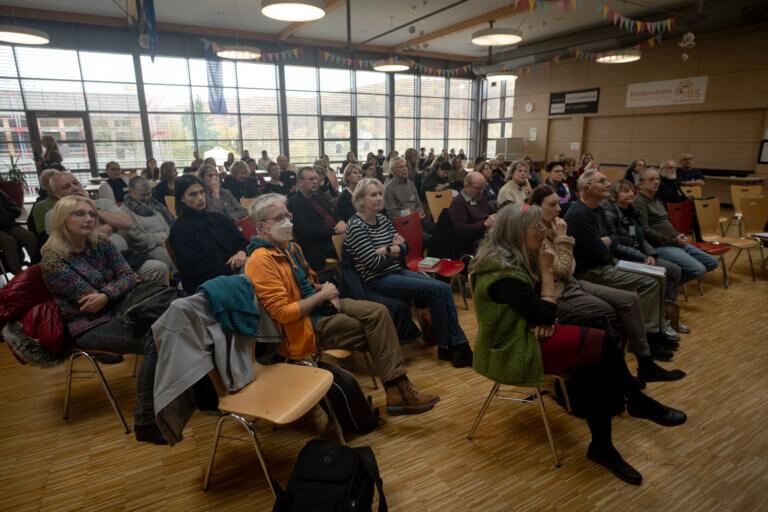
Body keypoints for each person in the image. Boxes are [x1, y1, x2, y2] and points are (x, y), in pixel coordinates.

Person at [469, 204, 686, 486]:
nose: (543, 230)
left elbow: (541, 307)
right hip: (514, 348)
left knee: (598, 323)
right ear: (517, 232)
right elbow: (544, 307)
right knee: (598, 347)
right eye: (536, 226)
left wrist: (544, 313)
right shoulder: (502, 272)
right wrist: (546, 278)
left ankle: (620, 417)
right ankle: (623, 416)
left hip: (527, 330)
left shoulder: (510, 255)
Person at [245, 193, 440, 415]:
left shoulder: (290, 248)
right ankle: (399, 391)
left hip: (320, 306)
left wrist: (327, 292)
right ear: (261, 226)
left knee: (380, 312)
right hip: (304, 327)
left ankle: (398, 391)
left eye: (287, 215)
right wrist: (322, 295)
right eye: (279, 218)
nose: (287, 221)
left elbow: (309, 283)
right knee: (377, 328)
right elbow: (283, 314)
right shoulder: (261, 260)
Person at [40, 195, 167, 444]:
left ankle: (186, 393)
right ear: (61, 219)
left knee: (173, 324)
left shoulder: (101, 242)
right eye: (79, 214)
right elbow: (90, 302)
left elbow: (129, 276)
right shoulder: (53, 260)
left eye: (90, 213)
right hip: (88, 325)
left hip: (124, 308)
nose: (88, 218)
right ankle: (146, 421)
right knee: (156, 339)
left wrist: (107, 292)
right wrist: (114, 289)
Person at [529, 185, 685, 382]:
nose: (559, 210)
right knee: (612, 313)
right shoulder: (536, 233)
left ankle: (645, 361)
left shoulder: (557, 225)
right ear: (536, 207)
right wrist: (562, 239)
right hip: (560, 291)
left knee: (630, 300)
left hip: (574, 281)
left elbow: (572, 265)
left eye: (558, 204)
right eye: (552, 205)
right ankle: (620, 377)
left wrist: (563, 244)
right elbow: (563, 270)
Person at [344, 178, 472, 367]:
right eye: (374, 195)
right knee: (437, 290)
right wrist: (393, 249)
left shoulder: (382, 219)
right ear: (360, 199)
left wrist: (388, 250)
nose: (379, 198)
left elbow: (405, 247)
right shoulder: (356, 226)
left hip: (394, 271)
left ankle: (448, 345)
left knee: (443, 289)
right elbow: (373, 264)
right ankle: (456, 346)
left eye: (380, 194)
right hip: (376, 280)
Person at [564, 170, 679, 360]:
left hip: (606, 262)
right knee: (649, 282)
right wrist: (606, 243)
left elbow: (614, 238)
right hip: (591, 271)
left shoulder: (598, 208)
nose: (608, 184)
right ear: (586, 188)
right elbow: (599, 253)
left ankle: (657, 331)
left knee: (659, 275)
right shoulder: (578, 214)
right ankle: (646, 338)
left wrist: (606, 241)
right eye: (602, 181)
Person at [46, 172, 169, 286]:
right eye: (66, 186)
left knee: (158, 267)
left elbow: (127, 223)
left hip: (124, 258)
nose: (74, 188)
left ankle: (159, 303)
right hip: (90, 263)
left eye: (76, 183)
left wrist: (92, 206)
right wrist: (111, 226)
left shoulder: (104, 203)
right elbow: (80, 240)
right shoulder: (55, 214)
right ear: (56, 193)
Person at [602, 179, 689, 337]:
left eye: (631, 190)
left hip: (639, 256)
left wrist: (650, 253)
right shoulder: (610, 213)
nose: (630, 194)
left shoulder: (631, 210)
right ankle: (657, 322)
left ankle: (669, 317)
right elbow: (616, 247)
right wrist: (642, 256)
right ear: (614, 197)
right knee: (658, 273)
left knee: (674, 270)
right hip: (622, 259)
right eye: (625, 191)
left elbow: (641, 238)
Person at [633, 168, 718, 283]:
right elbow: (644, 231)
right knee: (698, 270)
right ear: (640, 184)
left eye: (657, 179)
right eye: (651, 179)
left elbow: (665, 224)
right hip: (659, 245)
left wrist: (679, 235)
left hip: (674, 241)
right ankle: (664, 285)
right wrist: (674, 241)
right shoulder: (639, 202)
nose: (656, 182)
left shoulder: (657, 199)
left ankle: (670, 281)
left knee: (712, 263)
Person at [167, 175, 248, 295]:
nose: (200, 198)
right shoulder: (179, 230)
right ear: (181, 199)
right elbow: (195, 271)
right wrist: (233, 266)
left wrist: (242, 252)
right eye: (193, 194)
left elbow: (243, 243)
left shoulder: (218, 218)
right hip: (207, 284)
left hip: (236, 271)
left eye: (202, 192)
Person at [286, 167, 345, 272]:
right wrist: (335, 231)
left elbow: (337, 215)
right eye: (311, 179)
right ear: (300, 182)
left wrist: (341, 221)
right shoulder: (294, 203)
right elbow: (306, 231)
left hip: (336, 237)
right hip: (318, 247)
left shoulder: (320, 198)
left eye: (316, 179)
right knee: (353, 249)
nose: (315, 182)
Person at [120, 176, 174, 269]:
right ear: (131, 192)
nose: (147, 198)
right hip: (149, 247)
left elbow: (170, 222)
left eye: (149, 194)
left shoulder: (154, 204)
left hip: (169, 240)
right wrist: (162, 241)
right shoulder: (124, 211)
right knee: (170, 255)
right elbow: (135, 238)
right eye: (143, 195)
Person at [447, 171, 496, 257]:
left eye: (483, 188)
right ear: (466, 186)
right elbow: (461, 231)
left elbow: (494, 212)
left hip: (485, 237)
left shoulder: (480, 197)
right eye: (478, 188)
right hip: (471, 243)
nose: (481, 191)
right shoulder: (458, 203)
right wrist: (485, 224)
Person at [0, 189, 37, 273]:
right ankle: (18, 273)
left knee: (29, 237)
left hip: (8, 223)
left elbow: (12, 204)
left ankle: (37, 267)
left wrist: (12, 213)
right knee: (8, 241)